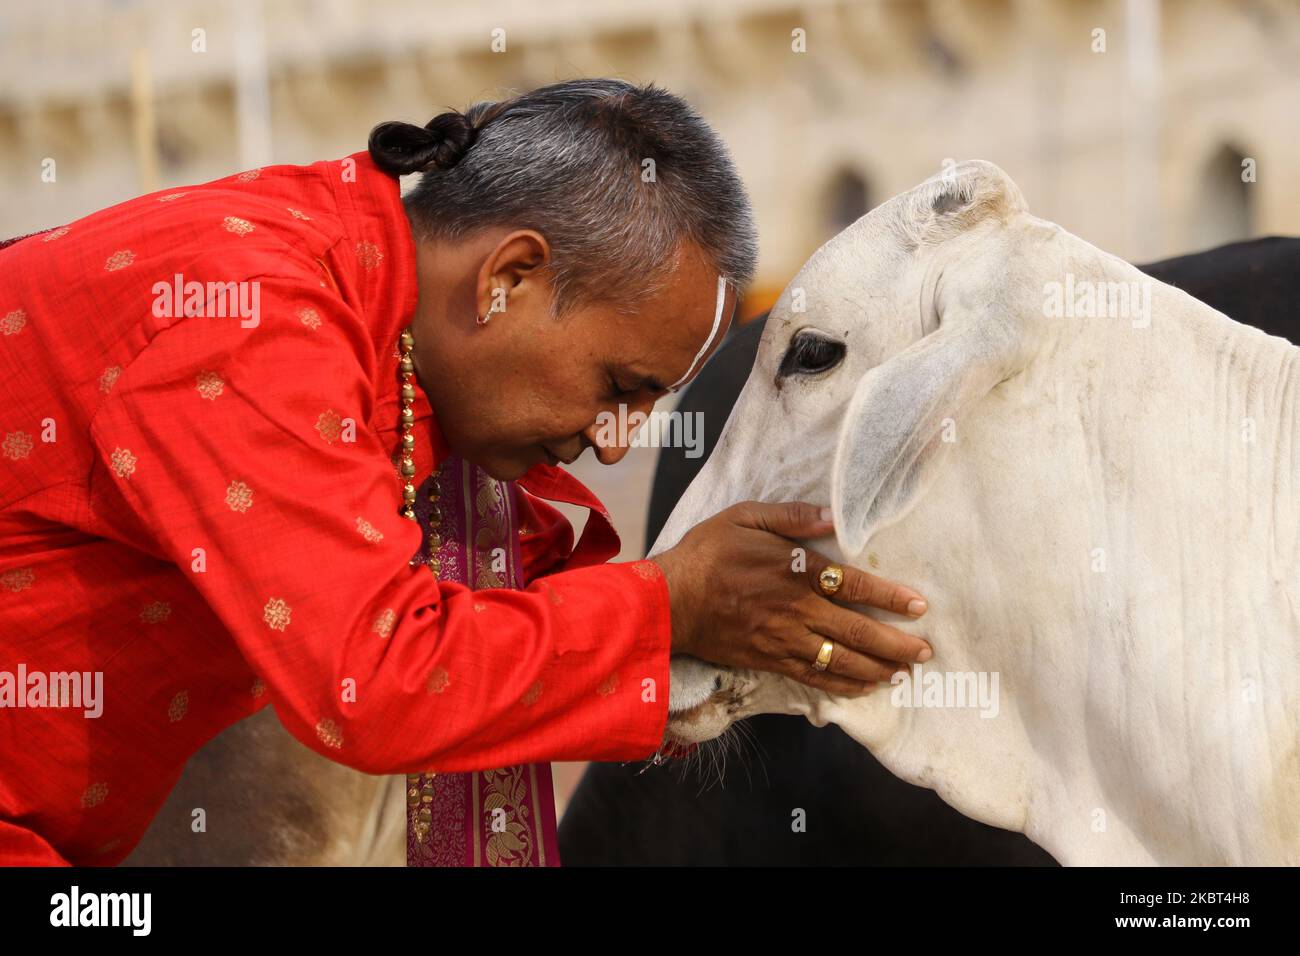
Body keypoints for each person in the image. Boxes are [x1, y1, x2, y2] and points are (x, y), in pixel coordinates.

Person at [0, 79, 930, 867]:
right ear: (506, 279)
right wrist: (672, 605)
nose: (615, 444)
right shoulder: (253, 313)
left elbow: (515, 627)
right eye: (620, 386)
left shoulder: (364, 314)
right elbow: (378, 678)